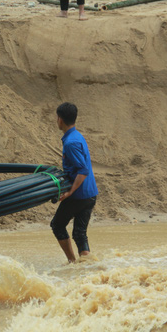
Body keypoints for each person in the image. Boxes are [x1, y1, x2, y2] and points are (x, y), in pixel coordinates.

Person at [51, 102, 98, 263]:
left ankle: (72, 261)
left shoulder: (70, 143)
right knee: (79, 233)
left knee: (57, 225)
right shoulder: (77, 136)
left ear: (60, 119)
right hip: (90, 194)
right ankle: (87, 266)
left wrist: (70, 192)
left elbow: (83, 169)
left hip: (79, 195)